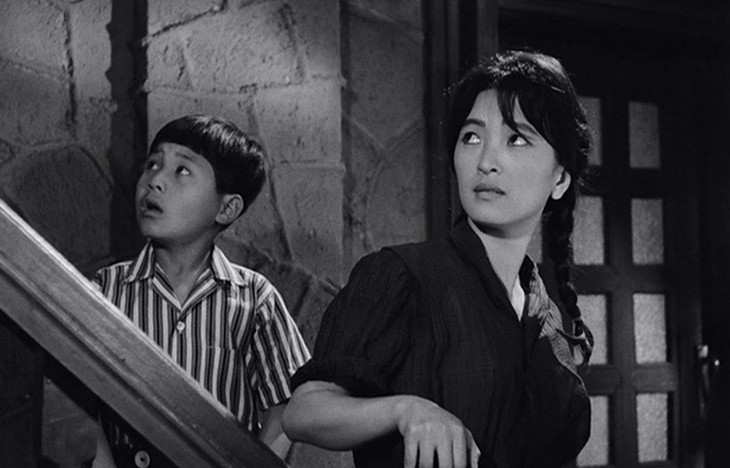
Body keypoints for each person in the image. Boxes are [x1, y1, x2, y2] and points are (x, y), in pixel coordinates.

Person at [282, 50, 594, 468]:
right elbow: (303, 412)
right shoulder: (402, 275)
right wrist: (406, 410)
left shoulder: (546, 314)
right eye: (472, 137)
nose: (486, 162)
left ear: (560, 178)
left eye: (516, 139)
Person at [91, 115, 310, 467]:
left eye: (182, 170)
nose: (155, 180)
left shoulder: (255, 299)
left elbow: (286, 404)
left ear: (226, 208)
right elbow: (84, 397)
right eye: (153, 164)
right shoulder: (107, 290)